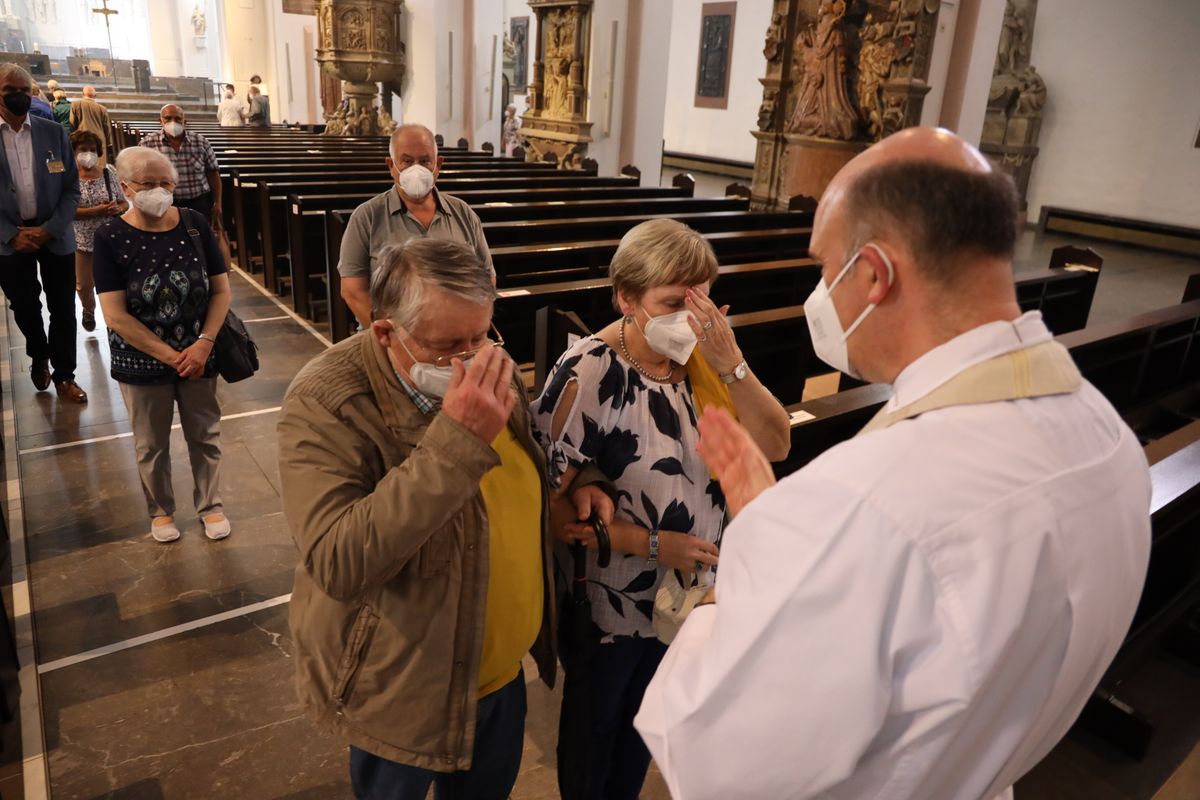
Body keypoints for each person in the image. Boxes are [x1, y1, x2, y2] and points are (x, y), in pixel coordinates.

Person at [634, 128, 1153, 800]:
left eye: (825, 270)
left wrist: (758, 558)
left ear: (874, 274)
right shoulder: (1108, 439)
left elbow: (715, 762)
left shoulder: (861, 502)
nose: (822, 294)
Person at [276, 237, 614, 799]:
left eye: (481, 335)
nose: (473, 357)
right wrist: (456, 440)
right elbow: (337, 560)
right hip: (406, 686)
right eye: (447, 345)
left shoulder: (487, 362)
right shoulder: (327, 400)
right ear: (386, 333)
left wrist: (581, 481)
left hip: (501, 675)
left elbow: (528, 450)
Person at [532, 219, 791, 799]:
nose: (693, 317)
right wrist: (653, 545)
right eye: (674, 302)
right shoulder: (590, 371)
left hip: (691, 599)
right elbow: (549, 507)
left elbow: (774, 444)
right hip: (615, 606)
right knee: (595, 741)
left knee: (642, 737)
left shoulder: (703, 363)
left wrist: (733, 365)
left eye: (701, 299)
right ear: (627, 298)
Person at [93, 146, 233, 543]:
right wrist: (172, 356)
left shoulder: (193, 224)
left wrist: (204, 343)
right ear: (126, 188)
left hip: (199, 353)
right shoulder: (110, 236)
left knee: (205, 434)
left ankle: (211, 505)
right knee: (151, 443)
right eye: (148, 184)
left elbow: (221, 291)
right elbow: (115, 314)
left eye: (166, 184)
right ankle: (161, 511)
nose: (159, 191)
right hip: (142, 360)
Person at [338, 124, 493, 330]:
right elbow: (353, 291)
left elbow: (487, 278)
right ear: (391, 165)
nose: (416, 169)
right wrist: (393, 337)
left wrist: (472, 330)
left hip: (455, 338)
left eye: (425, 161)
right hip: (390, 341)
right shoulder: (367, 217)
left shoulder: (463, 214)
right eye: (407, 161)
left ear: (438, 164)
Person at [0, 63, 87, 403]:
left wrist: (50, 229)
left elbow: (72, 189)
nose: (19, 96)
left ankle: (65, 376)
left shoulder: (53, 132)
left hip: (54, 235)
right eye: (11, 90)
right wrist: (10, 234)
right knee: (24, 307)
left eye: (25, 90)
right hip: (10, 240)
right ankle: (39, 353)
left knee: (64, 307)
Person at [70, 129, 126, 332]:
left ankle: (117, 316)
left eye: (92, 149)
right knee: (84, 284)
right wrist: (97, 210)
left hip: (109, 240)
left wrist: (118, 207)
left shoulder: (107, 173)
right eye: (83, 149)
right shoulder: (69, 177)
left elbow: (123, 202)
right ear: (74, 151)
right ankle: (88, 309)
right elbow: (67, 211)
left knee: (113, 281)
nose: (88, 153)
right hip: (81, 240)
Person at [137, 104, 222, 228]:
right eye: (168, 118)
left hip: (198, 202)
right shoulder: (148, 144)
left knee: (199, 238)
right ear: (160, 121)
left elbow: (213, 174)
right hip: (164, 203)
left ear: (185, 122)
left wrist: (218, 203)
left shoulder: (201, 142)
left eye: (177, 119)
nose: (173, 122)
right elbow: (140, 177)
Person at [68, 85, 110, 160]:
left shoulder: (75, 104)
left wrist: (73, 137)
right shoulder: (102, 108)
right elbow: (106, 126)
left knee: (83, 163)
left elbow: (72, 122)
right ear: (95, 96)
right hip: (99, 139)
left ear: (83, 94)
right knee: (98, 165)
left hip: (82, 138)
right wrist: (108, 141)